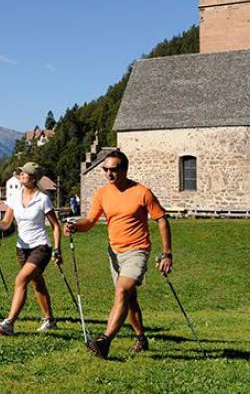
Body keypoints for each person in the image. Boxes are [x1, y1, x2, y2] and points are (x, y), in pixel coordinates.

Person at [64, 150, 172, 359]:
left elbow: (162, 220)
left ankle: (104, 341)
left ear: (124, 169)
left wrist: (167, 253)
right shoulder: (103, 193)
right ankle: (141, 338)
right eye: (105, 169)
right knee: (129, 299)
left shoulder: (142, 192)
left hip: (138, 251)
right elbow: (90, 221)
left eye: (113, 170)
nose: (108, 174)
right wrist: (75, 227)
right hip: (114, 253)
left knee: (122, 291)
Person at [0, 162, 63, 336]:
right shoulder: (15, 196)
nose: (21, 175)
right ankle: (50, 320)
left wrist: (57, 250)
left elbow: (56, 226)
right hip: (21, 248)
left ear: (34, 178)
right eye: (20, 173)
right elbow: (6, 223)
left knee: (21, 280)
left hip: (40, 247)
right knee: (37, 283)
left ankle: (9, 323)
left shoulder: (43, 198)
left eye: (25, 174)